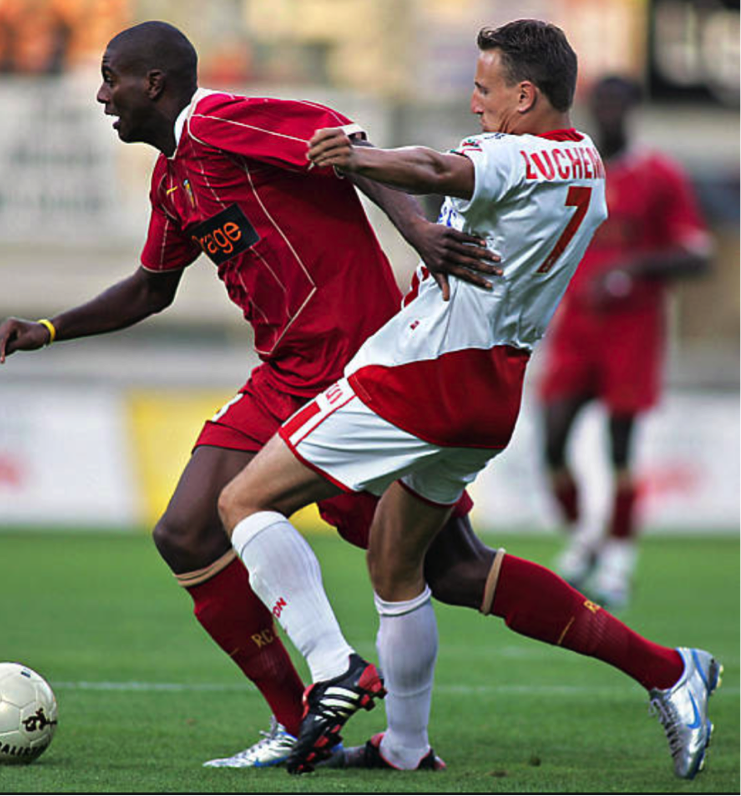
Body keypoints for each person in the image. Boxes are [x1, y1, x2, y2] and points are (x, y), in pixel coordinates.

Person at [0, 19, 518, 770]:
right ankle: (302, 716)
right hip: (283, 377)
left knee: (452, 568)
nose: (102, 96)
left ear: (153, 84)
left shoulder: (224, 121)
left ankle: (663, 669)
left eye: (111, 78)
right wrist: (47, 328)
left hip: (358, 371)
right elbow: (150, 290)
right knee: (186, 531)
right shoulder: (173, 180)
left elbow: (341, 142)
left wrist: (418, 232)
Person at [218, 20, 722, 780]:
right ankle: (409, 746)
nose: (475, 102)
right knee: (396, 562)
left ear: (526, 95)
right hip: (490, 390)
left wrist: (356, 157)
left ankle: (332, 672)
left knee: (242, 502)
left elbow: (434, 166)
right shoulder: (583, 158)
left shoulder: (515, 154)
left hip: (421, 374)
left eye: (485, 89)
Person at [538, 75, 712, 609]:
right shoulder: (574, 170)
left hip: (632, 331)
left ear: (633, 109)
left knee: (620, 448)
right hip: (577, 329)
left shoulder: (659, 174)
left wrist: (634, 268)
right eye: (602, 102)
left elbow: (697, 253)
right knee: (552, 443)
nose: (609, 111)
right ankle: (585, 538)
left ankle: (617, 560)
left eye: (619, 102)